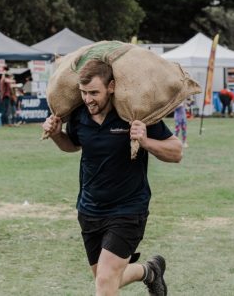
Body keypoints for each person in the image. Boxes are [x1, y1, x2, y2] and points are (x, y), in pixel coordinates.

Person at [42, 60, 182, 295]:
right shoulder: (79, 116)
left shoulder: (134, 113)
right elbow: (73, 145)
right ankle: (150, 271)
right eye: (84, 93)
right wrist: (57, 135)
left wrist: (145, 141)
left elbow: (176, 152)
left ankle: (148, 271)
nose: (88, 99)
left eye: (94, 92)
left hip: (128, 209)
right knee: (105, 278)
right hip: (89, 209)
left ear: (112, 86)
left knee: (105, 281)